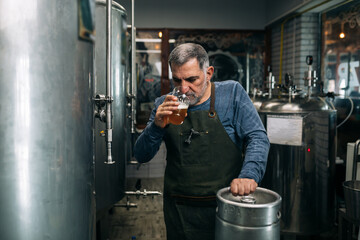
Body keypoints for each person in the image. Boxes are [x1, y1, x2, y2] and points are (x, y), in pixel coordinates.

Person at [133, 43, 270, 240]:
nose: (183, 89)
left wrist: (249, 174)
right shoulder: (164, 104)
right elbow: (141, 156)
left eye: (191, 79)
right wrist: (156, 127)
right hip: (179, 209)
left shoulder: (231, 95)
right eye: (177, 80)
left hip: (226, 205)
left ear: (209, 73)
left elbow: (258, 137)